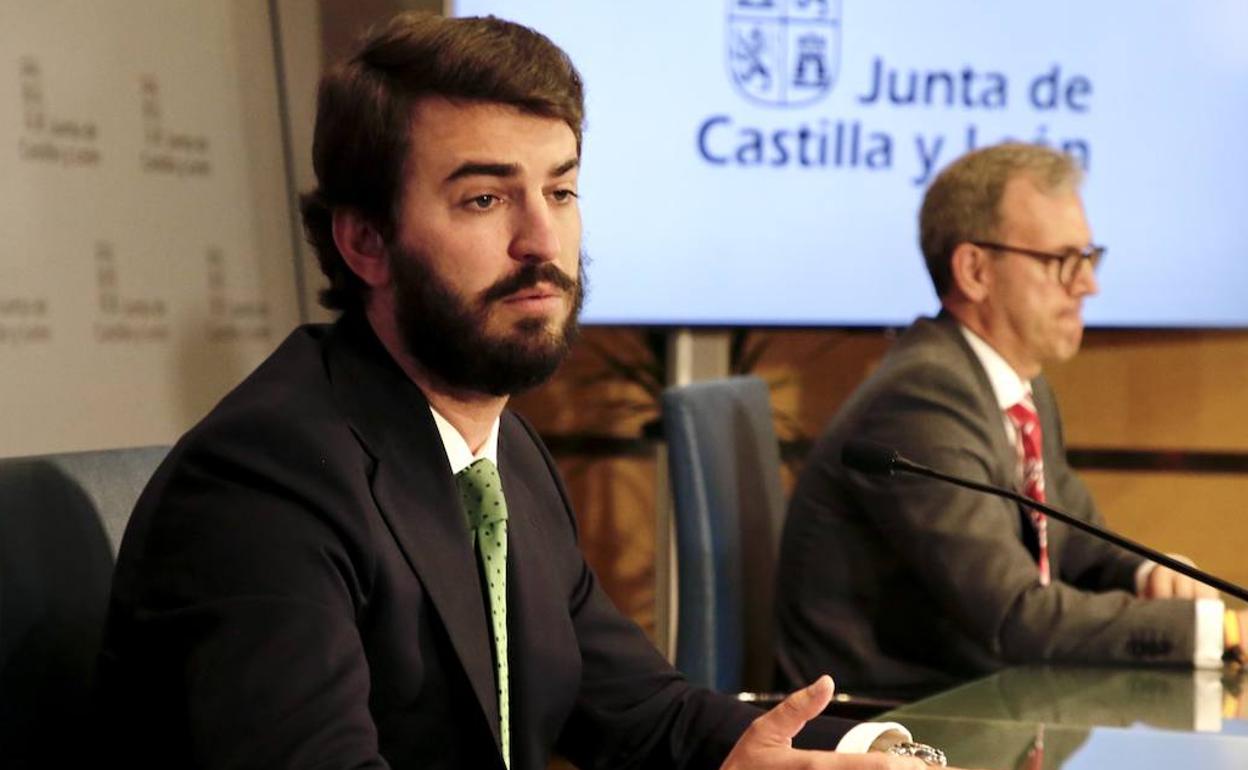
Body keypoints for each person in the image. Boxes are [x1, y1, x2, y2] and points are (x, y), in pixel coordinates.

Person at [95, 12, 953, 769]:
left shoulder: (501, 456)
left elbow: (642, 714)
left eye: (562, 189)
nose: (542, 240)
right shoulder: (267, 479)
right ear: (364, 242)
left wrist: (865, 754)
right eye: (483, 198)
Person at [775, 142, 1248, 701]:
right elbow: (1014, 617)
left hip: (982, 701)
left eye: (1089, 258)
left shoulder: (1016, 384)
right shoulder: (921, 399)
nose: (1088, 285)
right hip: (890, 720)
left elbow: (1073, 538)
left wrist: (1152, 576)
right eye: (1062, 261)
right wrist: (1215, 631)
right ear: (975, 270)